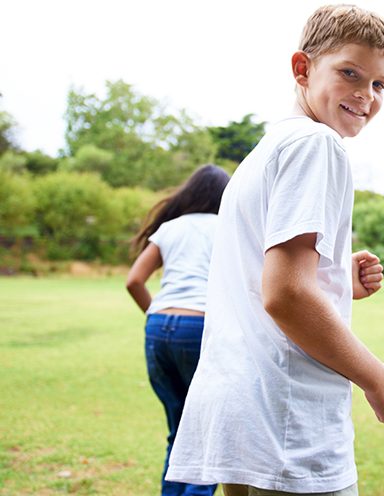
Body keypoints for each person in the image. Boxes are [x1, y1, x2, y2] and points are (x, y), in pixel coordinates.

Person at [164, 5, 384, 495]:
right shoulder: (317, 145)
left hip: (244, 421)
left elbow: (267, 284)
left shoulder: (265, 152)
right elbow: (286, 295)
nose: (365, 94)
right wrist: (377, 378)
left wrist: (335, 280)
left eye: (380, 84)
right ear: (302, 68)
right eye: (349, 73)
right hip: (288, 423)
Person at [125, 163, 231, 496]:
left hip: (158, 328)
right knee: (206, 433)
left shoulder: (170, 228)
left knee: (179, 432)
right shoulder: (227, 227)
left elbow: (134, 281)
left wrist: (156, 316)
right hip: (201, 326)